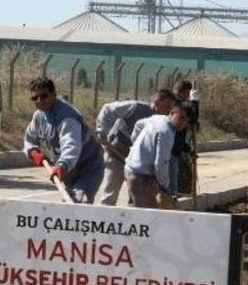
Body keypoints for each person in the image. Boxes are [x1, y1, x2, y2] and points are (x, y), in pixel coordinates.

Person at [23, 76, 103, 204]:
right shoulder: (39, 116)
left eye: (44, 96)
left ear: (53, 94)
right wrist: (33, 152)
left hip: (87, 167)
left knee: (79, 203)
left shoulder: (67, 117)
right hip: (69, 171)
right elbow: (30, 139)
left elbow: (71, 146)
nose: (39, 101)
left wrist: (62, 166)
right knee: (69, 204)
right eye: (35, 98)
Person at [94, 89, 176, 205]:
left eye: (171, 108)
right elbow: (108, 110)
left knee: (135, 196)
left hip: (136, 163)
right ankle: (104, 220)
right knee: (110, 193)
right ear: (157, 103)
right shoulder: (135, 107)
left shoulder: (161, 122)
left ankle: (131, 221)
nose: (169, 112)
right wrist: (102, 132)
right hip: (116, 153)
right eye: (167, 107)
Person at [124, 102, 194, 209]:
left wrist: (136, 145)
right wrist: (165, 187)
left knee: (134, 211)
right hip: (141, 178)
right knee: (147, 217)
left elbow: (138, 124)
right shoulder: (166, 133)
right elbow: (160, 165)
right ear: (172, 112)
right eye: (181, 118)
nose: (183, 123)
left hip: (130, 171)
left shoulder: (158, 118)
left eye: (186, 121)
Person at [170, 80, 199, 195]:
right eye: (187, 93)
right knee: (173, 181)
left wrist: (189, 149)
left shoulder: (178, 103)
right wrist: (195, 102)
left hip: (178, 146)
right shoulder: (177, 104)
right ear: (183, 92)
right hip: (173, 150)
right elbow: (193, 118)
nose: (188, 96)